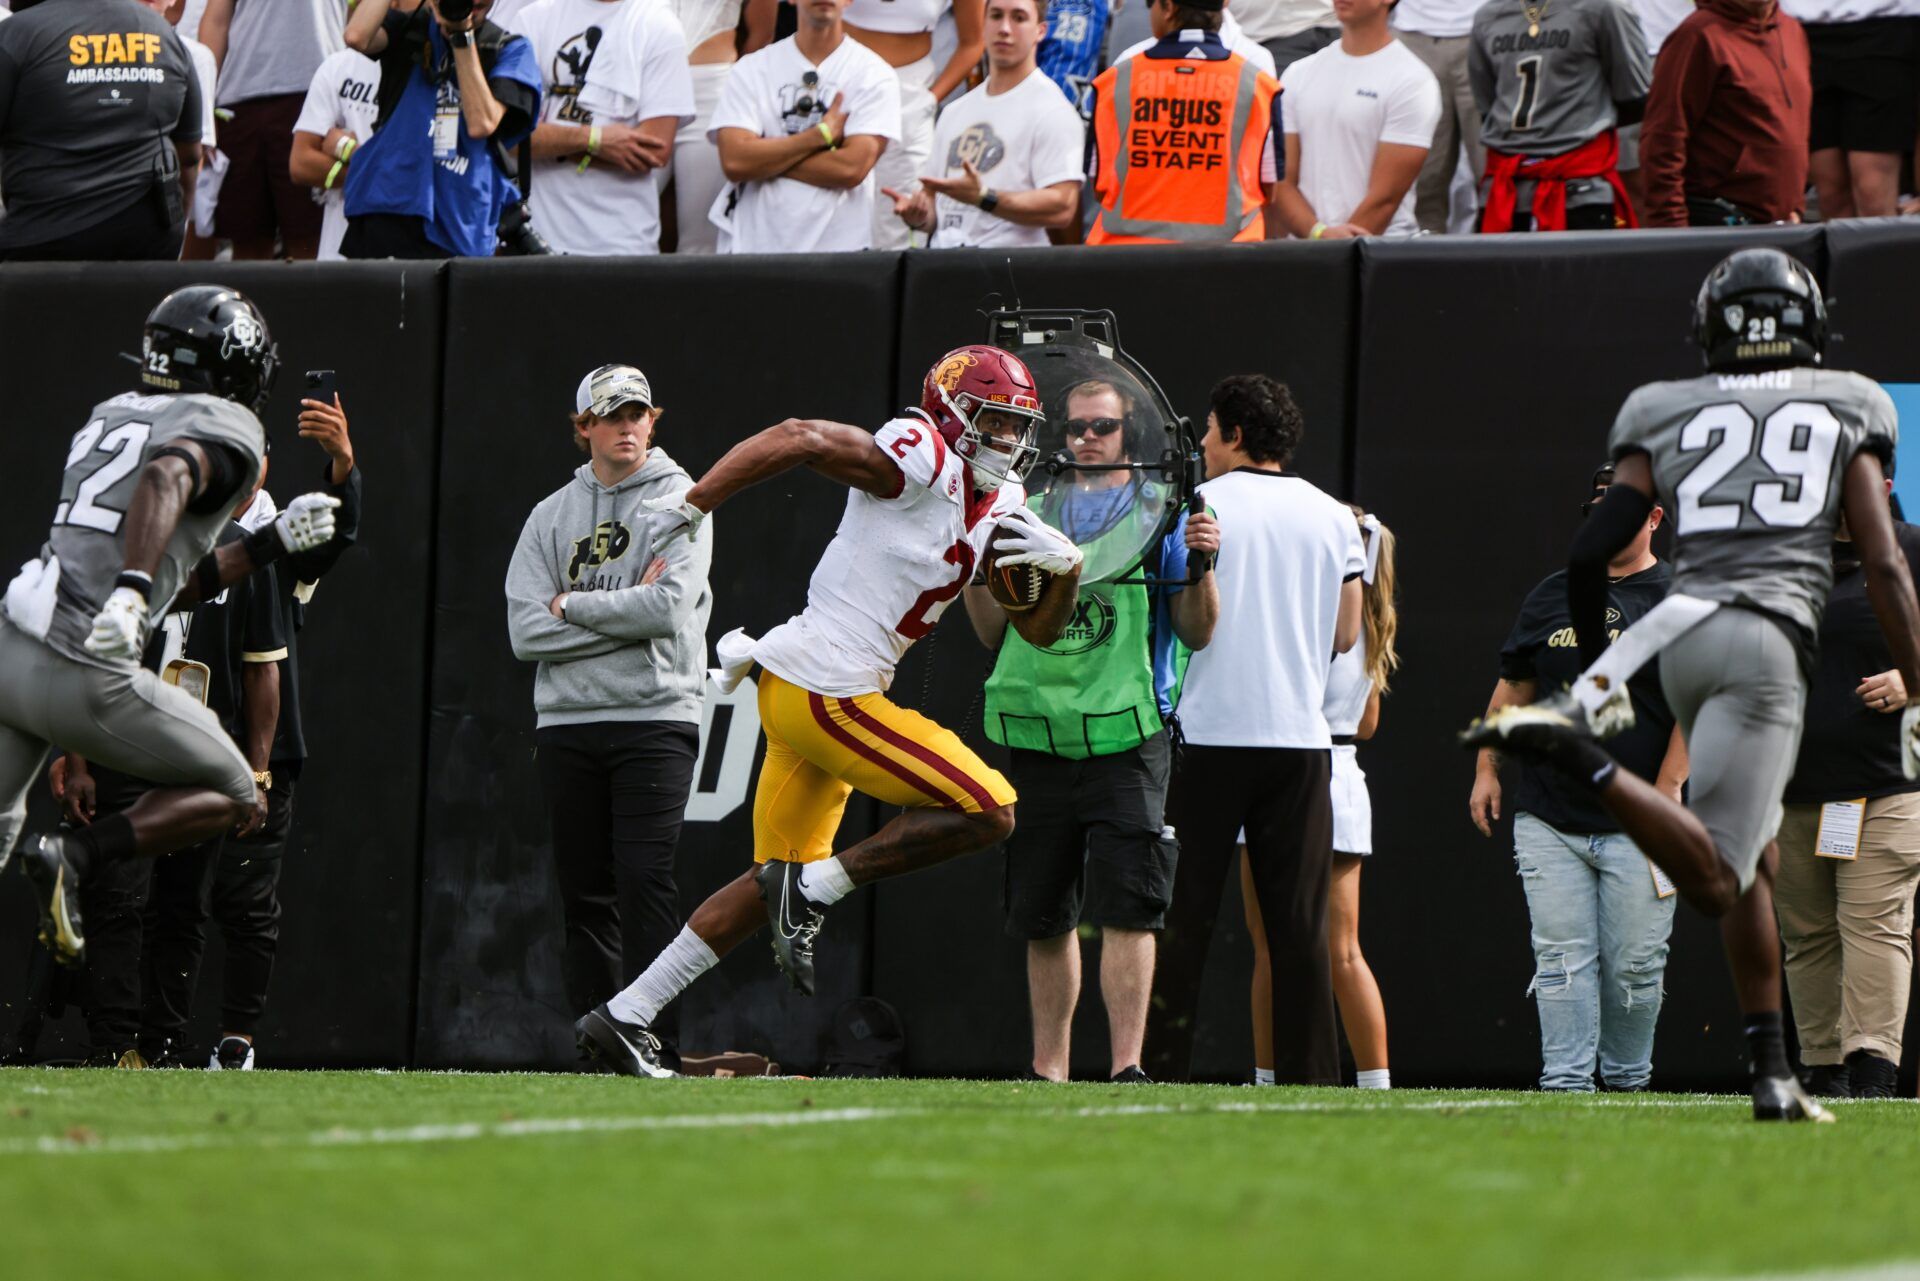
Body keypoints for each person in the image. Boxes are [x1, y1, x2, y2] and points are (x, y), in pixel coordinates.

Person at [1463, 248, 1920, 1122]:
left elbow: (1589, 550)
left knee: (1754, 864)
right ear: (1808, 328)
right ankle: (1588, 765)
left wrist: (1601, 662)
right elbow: (1887, 562)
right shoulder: (1848, 403)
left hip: (1681, 627)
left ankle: (1770, 1070)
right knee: (1718, 874)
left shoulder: (1663, 407)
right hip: (1764, 636)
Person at [575, 346, 1085, 1077]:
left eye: (1017, 427)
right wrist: (693, 505)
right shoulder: (919, 456)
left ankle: (623, 1014)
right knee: (991, 808)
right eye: (995, 422)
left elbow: (1037, 628)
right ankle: (812, 888)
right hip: (829, 688)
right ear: (950, 413)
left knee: (766, 885)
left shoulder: (1002, 504)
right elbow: (798, 436)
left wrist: (1065, 574)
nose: (1009, 442)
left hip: (802, 690)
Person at [0, 284, 340, 966]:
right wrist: (128, 594)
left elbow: (173, 581)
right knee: (235, 789)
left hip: (12, 653)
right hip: (84, 669)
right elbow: (166, 476)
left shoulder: (112, 409)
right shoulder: (228, 424)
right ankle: (73, 853)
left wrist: (269, 544)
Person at [964, 378, 1221, 1084]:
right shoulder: (1026, 513)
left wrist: (1202, 562)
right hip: (1037, 732)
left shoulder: (1163, 514)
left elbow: (1197, 631)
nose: (1085, 438)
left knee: (1131, 909)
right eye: (1074, 427)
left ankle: (1127, 1066)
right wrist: (973, 559)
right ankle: (1049, 1068)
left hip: (1129, 736)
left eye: (1100, 426)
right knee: (1044, 915)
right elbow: (990, 632)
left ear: (1128, 433)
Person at [1145, 375, 1365, 1086]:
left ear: (1235, 433)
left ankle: (1155, 1071)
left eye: (1209, 430)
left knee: (1182, 925)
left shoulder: (1197, 506)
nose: (1203, 444)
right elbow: (1346, 633)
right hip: (1301, 750)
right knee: (1300, 932)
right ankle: (1312, 1085)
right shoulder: (1336, 516)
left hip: (1207, 741)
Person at [507, 365, 713, 1068]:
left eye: (637, 413)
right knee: (585, 893)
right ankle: (600, 1046)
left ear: (653, 419)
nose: (627, 426)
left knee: (645, 881)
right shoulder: (549, 515)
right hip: (566, 724)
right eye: (611, 415)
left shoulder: (684, 500)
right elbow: (524, 632)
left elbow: (667, 609)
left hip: (655, 716)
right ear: (584, 427)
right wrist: (618, 614)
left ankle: (658, 1040)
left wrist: (574, 605)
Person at [1469, 467, 1687, 1092]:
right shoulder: (1552, 594)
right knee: (1561, 960)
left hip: (1642, 814)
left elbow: (1699, 706)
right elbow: (1515, 686)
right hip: (1549, 813)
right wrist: (1487, 767)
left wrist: (1669, 793)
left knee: (1636, 968)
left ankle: (1626, 1083)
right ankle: (1564, 1086)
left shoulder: (1679, 599)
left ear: (1654, 519)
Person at [199, 391, 362, 1071]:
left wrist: (342, 463)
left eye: (250, 456)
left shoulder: (282, 537)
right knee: (156, 897)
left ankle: (237, 1036)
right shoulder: (171, 527)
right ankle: (137, 1035)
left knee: (243, 894)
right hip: (160, 735)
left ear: (264, 466)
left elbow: (337, 531)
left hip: (258, 752)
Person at [1773, 484, 1920, 1100]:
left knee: (1876, 925)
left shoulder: (1911, 549)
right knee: (1806, 935)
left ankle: (1874, 1069)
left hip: (1886, 786)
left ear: (1878, 484)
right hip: (1791, 788)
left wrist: (1914, 680)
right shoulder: (1788, 558)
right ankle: (1825, 1067)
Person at [1246, 505, 1398, 1087]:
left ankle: (1266, 1081)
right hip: (1341, 776)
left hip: (1292, 773)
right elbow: (1367, 724)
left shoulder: (1304, 623)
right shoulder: (1375, 626)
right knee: (1342, 951)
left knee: (1271, 948)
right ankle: (1375, 1086)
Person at [0, 0, 202, 261]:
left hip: (41, 240)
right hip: (150, 239)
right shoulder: (163, 33)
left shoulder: (18, 34)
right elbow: (191, 157)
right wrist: (175, 224)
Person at [341, 0, 542, 259]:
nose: (473, 2)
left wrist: (462, 37)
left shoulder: (510, 48)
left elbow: (482, 123)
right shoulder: (413, 27)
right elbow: (356, 36)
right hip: (387, 203)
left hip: (459, 221)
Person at [578, 0, 777, 254]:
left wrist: (738, 93)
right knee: (616, 217)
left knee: (703, 237)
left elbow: (762, 34)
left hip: (710, 85)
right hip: (642, 83)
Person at [885, 0, 1083, 248]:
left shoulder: (1053, 111)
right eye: (996, 16)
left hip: (1008, 273)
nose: (1005, 28)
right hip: (945, 269)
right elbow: (938, 209)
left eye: (1019, 18)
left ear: (1040, 31)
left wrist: (984, 198)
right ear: (984, 24)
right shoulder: (954, 111)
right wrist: (920, 216)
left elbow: (1062, 207)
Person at [709, 0, 902, 254]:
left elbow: (851, 169)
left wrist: (762, 159)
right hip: (755, 248)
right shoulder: (751, 68)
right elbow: (735, 161)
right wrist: (818, 137)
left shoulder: (874, 74)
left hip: (840, 254)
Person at [1085, 0, 1282, 245]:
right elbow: (1269, 188)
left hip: (1129, 256)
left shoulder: (1118, 78)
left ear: (1168, 8)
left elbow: (1098, 184)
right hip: (1226, 257)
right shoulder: (1256, 81)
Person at [518, 0, 696, 255]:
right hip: (538, 240)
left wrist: (550, 142)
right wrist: (596, 140)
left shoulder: (658, 25)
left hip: (620, 244)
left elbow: (653, 151)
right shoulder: (533, 18)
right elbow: (511, 138)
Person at [1469, 0, 1650, 232]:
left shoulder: (1605, 8)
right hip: (1506, 185)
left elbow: (1634, 99)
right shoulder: (1488, 14)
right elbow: (1487, 104)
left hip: (1578, 185)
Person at [1271, 0, 1440, 239]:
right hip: (1310, 253)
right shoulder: (1298, 73)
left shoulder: (1413, 80)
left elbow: (1385, 199)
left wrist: (1331, 251)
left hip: (1380, 254)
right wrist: (1317, 234)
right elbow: (1282, 180)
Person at [1639, 0, 1811, 227]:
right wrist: (1673, 233)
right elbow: (1663, 140)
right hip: (1720, 228)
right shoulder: (1697, 36)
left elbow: (1794, 130)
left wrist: (1794, 206)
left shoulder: (1792, 31)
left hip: (1784, 226)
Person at [196, 0, 343, 259]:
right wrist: (204, 106)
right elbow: (216, 21)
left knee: (308, 241)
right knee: (247, 240)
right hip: (239, 100)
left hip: (314, 94)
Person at [844, 0, 983, 249]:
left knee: (900, 214)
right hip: (842, 87)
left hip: (911, 96)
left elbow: (973, 42)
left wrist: (930, 99)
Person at [1782, 0, 1917, 220]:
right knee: (1830, 193)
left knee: (1873, 191)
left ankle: (1883, 253)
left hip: (1883, 29)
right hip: (1801, 31)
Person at [1393, 0, 1488, 232]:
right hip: (1411, 35)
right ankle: (1424, 261)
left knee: (1492, 176)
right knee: (1422, 182)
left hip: (1485, 30)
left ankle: (1502, 262)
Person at [289, 45, 383, 261]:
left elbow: (417, 178)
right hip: (337, 255)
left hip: (406, 263)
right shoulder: (338, 66)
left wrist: (348, 151)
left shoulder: (433, 68)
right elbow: (301, 164)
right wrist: (378, 174)